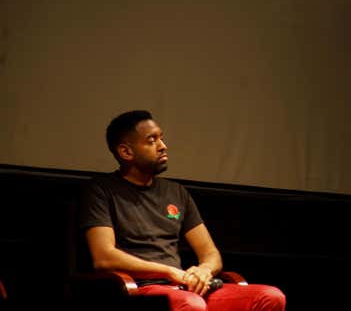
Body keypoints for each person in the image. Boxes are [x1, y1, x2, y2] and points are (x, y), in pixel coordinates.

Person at [79, 110, 286, 311]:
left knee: (269, 297)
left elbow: (210, 253)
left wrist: (204, 270)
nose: (163, 146)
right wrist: (170, 272)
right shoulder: (101, 190)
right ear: (126, 152)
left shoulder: (176, 192)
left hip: (185, 288)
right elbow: (104, 257)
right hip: (140, 289)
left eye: (162, 138)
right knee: (190, 304)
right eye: (152, 141)